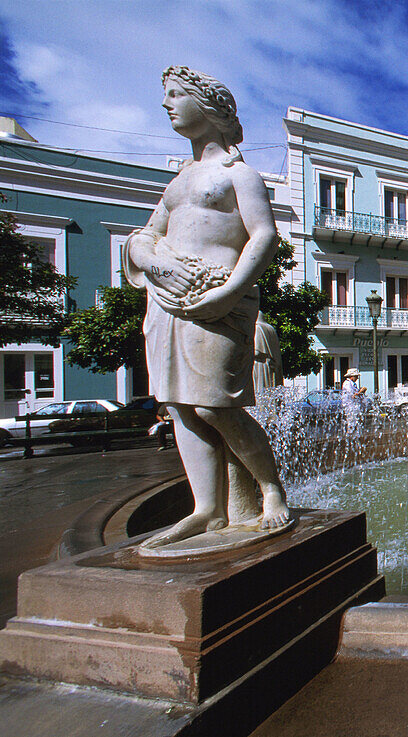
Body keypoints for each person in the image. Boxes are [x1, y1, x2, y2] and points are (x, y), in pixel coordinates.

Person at [123, 66, 291, 548]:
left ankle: (270, 489)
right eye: (166, 95)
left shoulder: (238, 174)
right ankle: (207, 509)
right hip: (168, 300)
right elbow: (148, 235)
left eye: (177, 95)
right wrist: (146, 258)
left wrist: (231, 291)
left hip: (218, 300)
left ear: (212, 108)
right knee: (180, 407)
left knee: (215, 406)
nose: (167, 103)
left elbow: (263, 235)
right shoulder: (177, 182)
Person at [341, 368, 367, 434]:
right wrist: (360, 391)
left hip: (354, 406)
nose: (357, 378)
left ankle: (354, 435)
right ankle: (350, 435)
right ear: (352, 376)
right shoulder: (347, 383)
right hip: (350, 406)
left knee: (356, 422)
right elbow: (353, 395)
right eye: (356, 376)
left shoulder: (352, 384)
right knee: (351, 422)